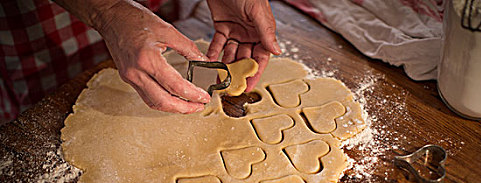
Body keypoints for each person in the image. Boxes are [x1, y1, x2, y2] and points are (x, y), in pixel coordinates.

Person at [0, 0, 281, 121]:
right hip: (53, 27)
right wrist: (107, 10)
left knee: (161, 63)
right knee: (51, 97)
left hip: (154, 15)